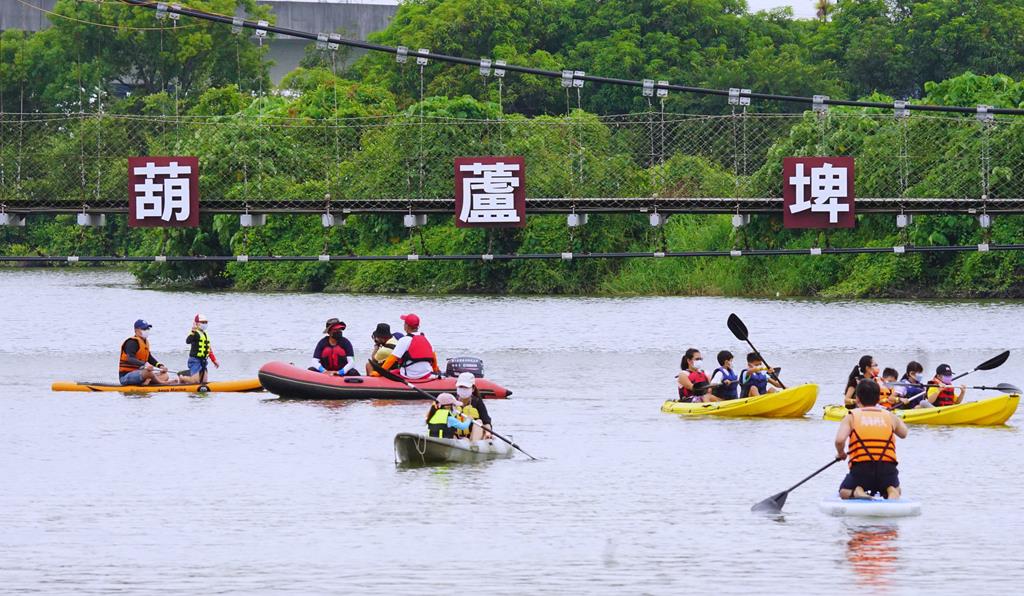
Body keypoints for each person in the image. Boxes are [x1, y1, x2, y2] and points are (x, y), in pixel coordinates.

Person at [835, 379, 909, 500]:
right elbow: (904, 433)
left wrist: (841, 453)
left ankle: (858, 491)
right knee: (896, 487)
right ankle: (891, 490)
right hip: (887, 468)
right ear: (878, 399)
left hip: (861, 468)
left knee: (843, 491)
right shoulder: (889, 416)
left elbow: (839, 440)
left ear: (857, 399)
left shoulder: (851, 416)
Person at [381, 313, 440, 380]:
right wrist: (435, 370)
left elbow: (391, 359)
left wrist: (380, 372)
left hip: (409, 375)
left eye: (404, 323)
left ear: (406, 326)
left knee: (390, 373)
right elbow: (434, 358)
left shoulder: (404, 340)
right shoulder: (426, 338)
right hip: (426, 373)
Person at [118, 319, 174, 386]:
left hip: (141, 373)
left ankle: (148, 381)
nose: (147, 330)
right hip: (126, 376)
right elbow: (130, 358)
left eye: (147, 328)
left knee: (165, 375)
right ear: (136, 330)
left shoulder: (144, 342)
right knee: (148, 373)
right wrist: (145, 365)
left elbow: (149, 358)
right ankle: (161, 383)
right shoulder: (132, 342)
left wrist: (160, 366)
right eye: (144, 329)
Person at [180, 313, 219, 384]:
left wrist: (214, 360)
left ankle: (193, 378)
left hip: (203, 361)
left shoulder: (205, 334)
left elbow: (209, 349)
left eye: (206, 322)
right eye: (203, 322)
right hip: (195, 361)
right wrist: (193, 331)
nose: (205, 324)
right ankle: (182, 378)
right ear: (197, 323)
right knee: (195, 382)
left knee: (204, 382)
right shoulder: (195, 333)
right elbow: (188, 341)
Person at [455, 372, 492, 441]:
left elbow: (486, 421)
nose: (463, 389)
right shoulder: (452, 401)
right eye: (461, 387)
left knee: (479, 421)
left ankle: (474, 445)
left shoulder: (477, 402)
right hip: (456, 436)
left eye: (466, 387)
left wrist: (487, 432)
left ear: (473, 388)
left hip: (472, 436)